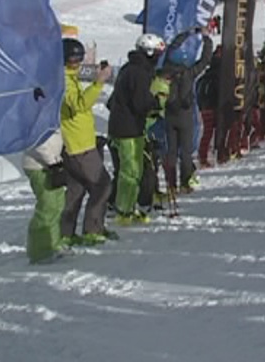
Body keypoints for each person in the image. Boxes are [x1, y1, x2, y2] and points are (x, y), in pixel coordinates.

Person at [60, 38, 114, 245]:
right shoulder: (64, 80)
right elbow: (79, 104)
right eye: (73, 61)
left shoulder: (68, 77)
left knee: (77, 189)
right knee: (102, 185)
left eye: (79, 60)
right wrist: (99, 82)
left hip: (81, 141)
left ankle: (66, 233)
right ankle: (93, 229)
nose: (77, 64)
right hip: (78, 146)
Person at [109, 33, 167, 225]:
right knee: (130, 172)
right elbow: (140, 102)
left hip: (128, 126)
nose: (159, 58)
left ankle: (128, 206)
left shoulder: (131, 68)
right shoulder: (139, 72)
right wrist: (156, 103)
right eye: (157, 53)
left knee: (135, 170)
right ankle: (123, 211)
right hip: (127, 129)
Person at [161, 30, 214, 194]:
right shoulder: (189, 73)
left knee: (170, 151)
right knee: (185, 152)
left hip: (170, 114)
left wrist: (184, 34)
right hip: (185, 115)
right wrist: (206, 39)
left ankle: (171, 184)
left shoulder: (166, 70)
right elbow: (205, 61)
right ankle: (185, 183)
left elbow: (171, 49)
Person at [23, 129, 68, 263]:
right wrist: (52, 161)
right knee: (47, 206)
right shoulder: (36, 116)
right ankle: (38, 252)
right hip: (38, 165)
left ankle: (53, 244)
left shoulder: (51, 113)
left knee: (57, 204)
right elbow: (37, 143)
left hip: (52, 163)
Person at [197, 45, 223, 168]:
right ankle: (218, 154)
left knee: (207, 132)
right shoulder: (220, 75)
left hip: (204, 106)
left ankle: (203, 155)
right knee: (218, 130)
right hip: (215, 105)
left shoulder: (205, 76)